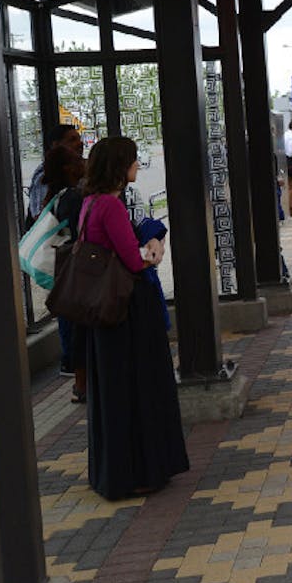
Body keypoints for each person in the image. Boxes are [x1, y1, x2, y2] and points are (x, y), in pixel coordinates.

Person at [79, 136, 189, 500]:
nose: (137, 166)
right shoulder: (110, 206)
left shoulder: (89, 204)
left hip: (103, 313)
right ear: (119, 166)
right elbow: (132, 259)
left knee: (114, 393)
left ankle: (116, 472)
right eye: (133, 160)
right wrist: (153, 254)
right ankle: (139, 471)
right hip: (127, 312)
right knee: (139, 389)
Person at [42, 142, 87, 391]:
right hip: (73, 269)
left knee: (69, 319)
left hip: (63, 269)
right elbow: (80, 233)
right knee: (77, 323)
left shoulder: (55, 197)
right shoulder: (72, 197)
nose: (83, 162)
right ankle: (76, 372)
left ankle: (72, 367)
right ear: (68, 168)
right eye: (78, 159)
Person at [28, 124, 82, 222]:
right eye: (72, 140)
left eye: (79, 139)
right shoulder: (44, 176)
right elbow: (41, 217)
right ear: (56, 145)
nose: (80, 144)